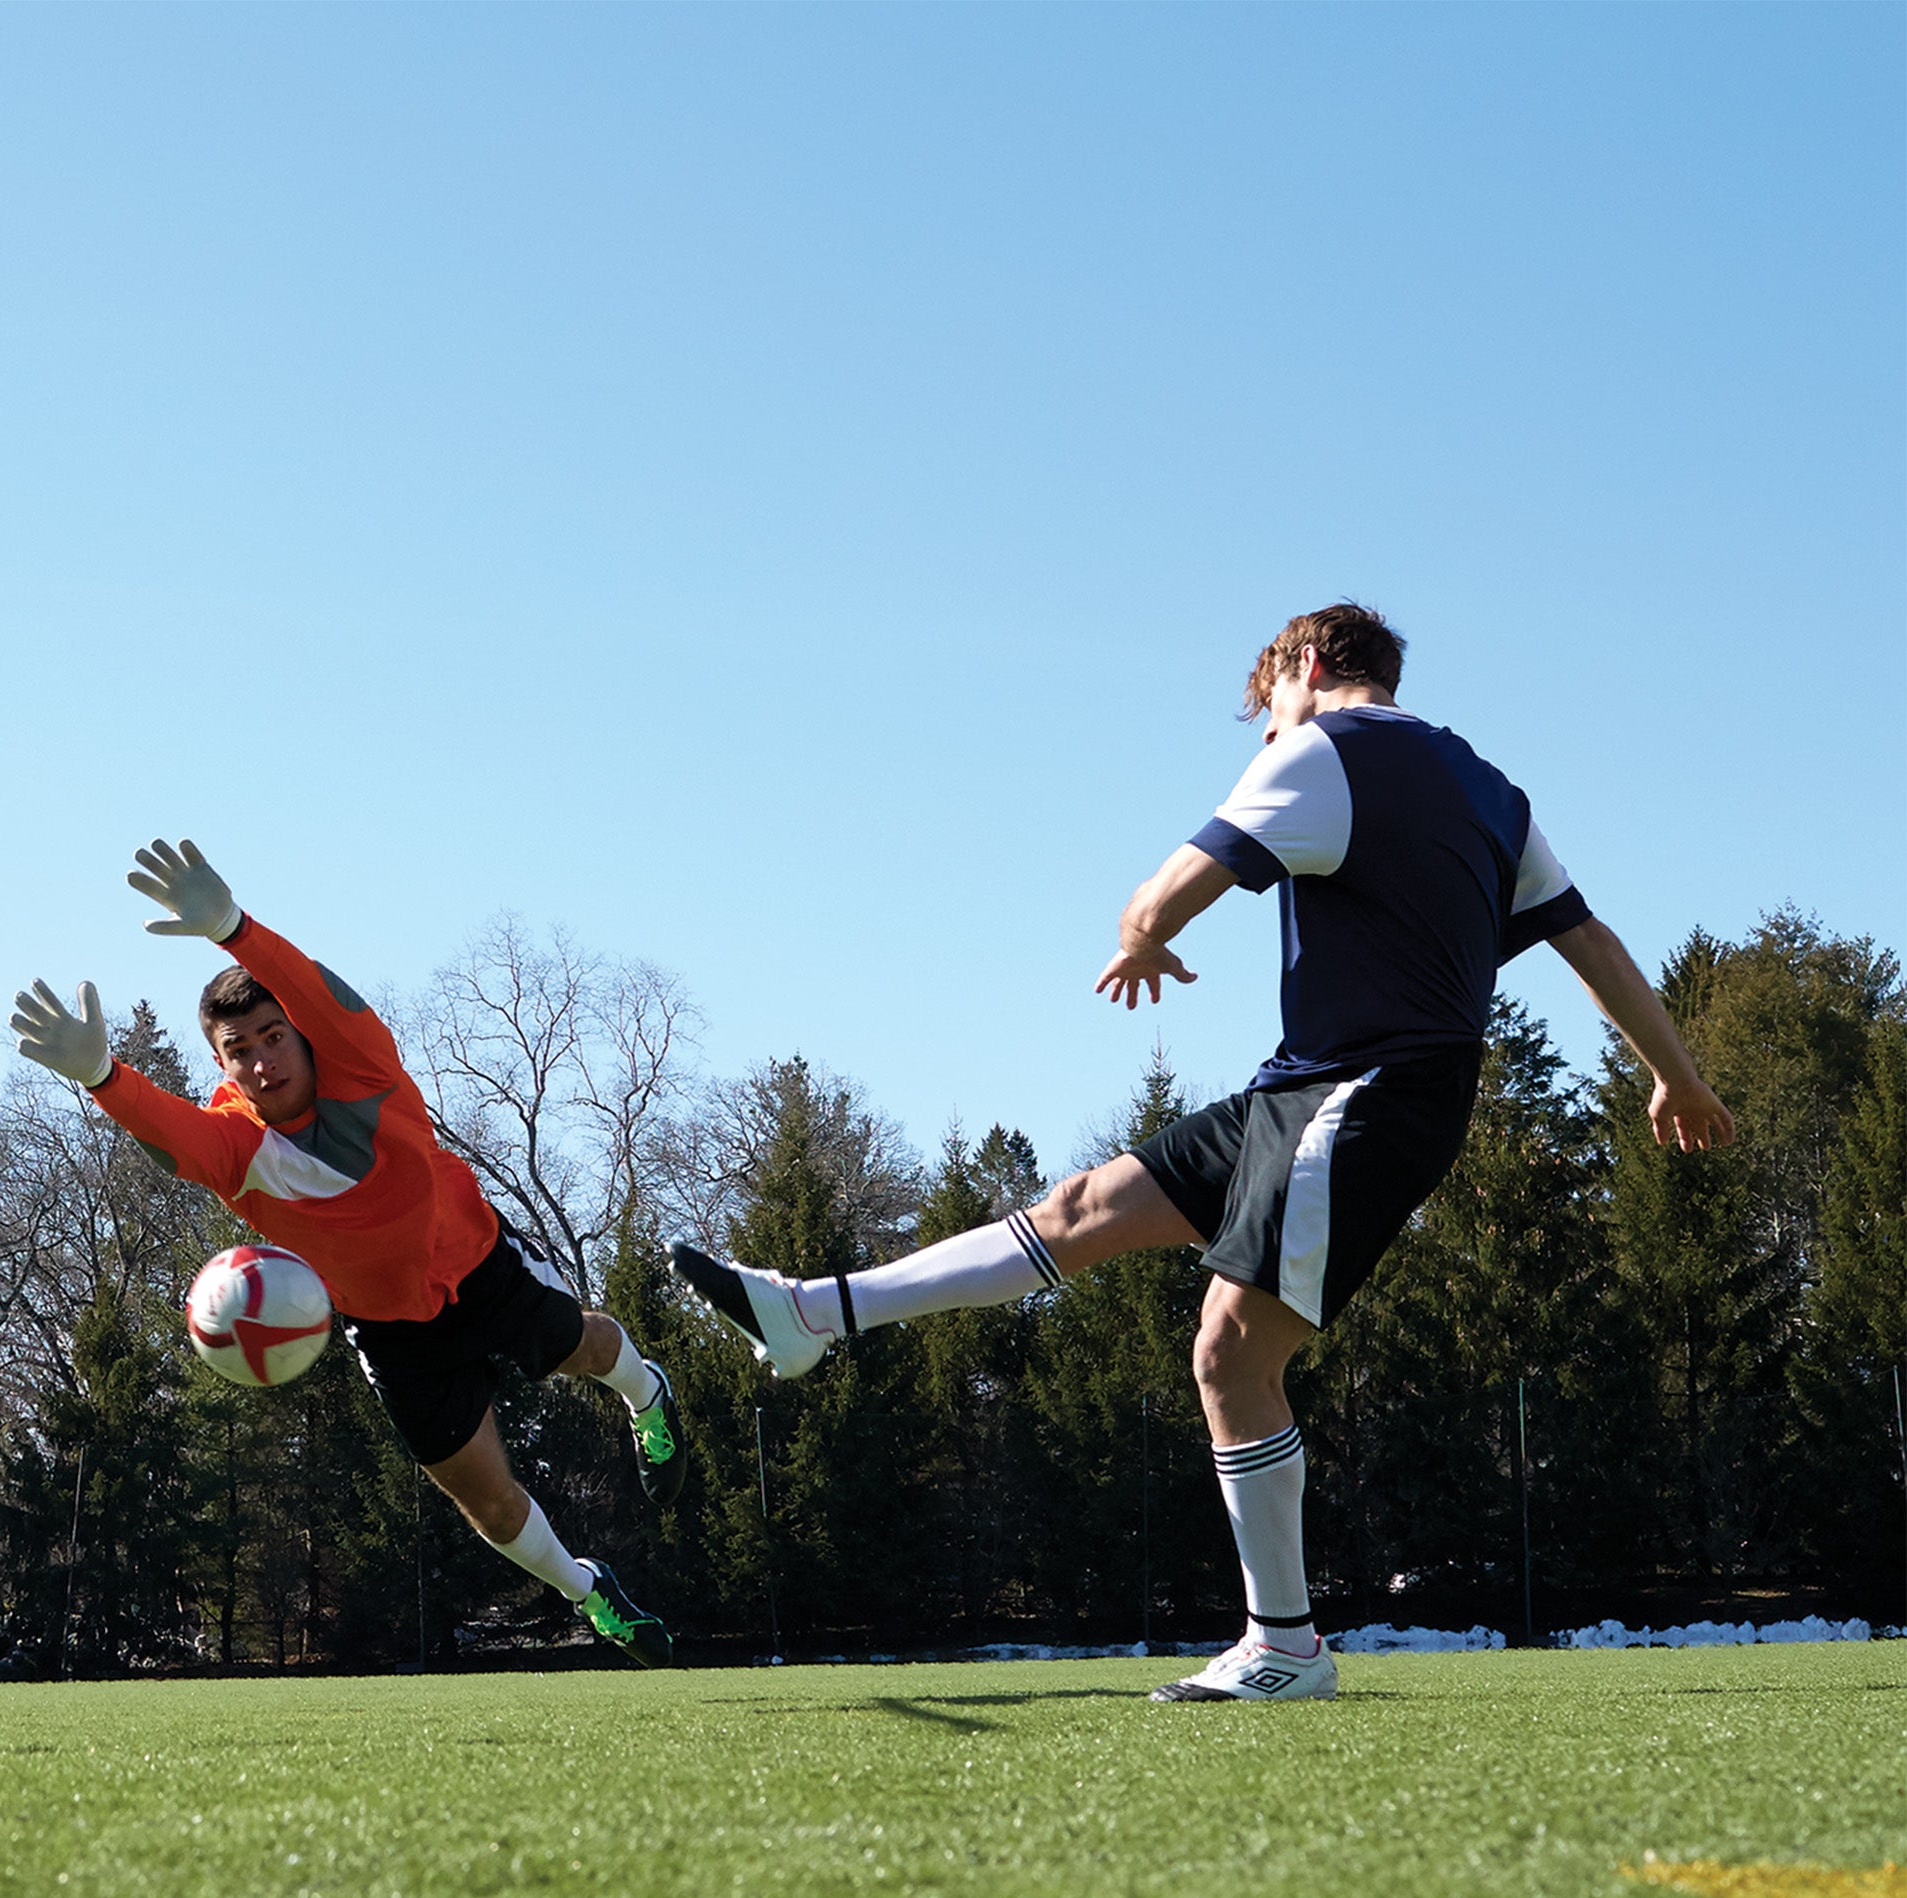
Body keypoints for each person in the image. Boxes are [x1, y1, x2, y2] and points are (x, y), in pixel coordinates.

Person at [670, 603, 1734, 1701]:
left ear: (1306, 667)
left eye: (1266, 704)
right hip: (1310, 1087)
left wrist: (1142, 935)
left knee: (1229, 1353)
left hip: (1368, 1093)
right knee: (1079, 1209)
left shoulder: (1319, 752)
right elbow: (1586, 938)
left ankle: (1285, 1644)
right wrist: (1676, 1073)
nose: (1264, 730)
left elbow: (1160, 895)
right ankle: (813, 1315)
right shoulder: (1492, 790)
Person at [8, 839, 686, 1667]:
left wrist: (233, 927)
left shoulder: (363, 1067)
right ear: (222, 1065)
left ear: (302, 1035)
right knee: (492, 1508)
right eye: (239, 1051)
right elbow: (168, 1128)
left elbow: (316, 993)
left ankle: (649, 1397)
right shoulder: (235, 1149)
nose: (262, 1061)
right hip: (392, 1333)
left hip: (476, 1263)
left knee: (589, 1348)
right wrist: (102, 1075)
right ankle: (592, 1594)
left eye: (273, 1037)